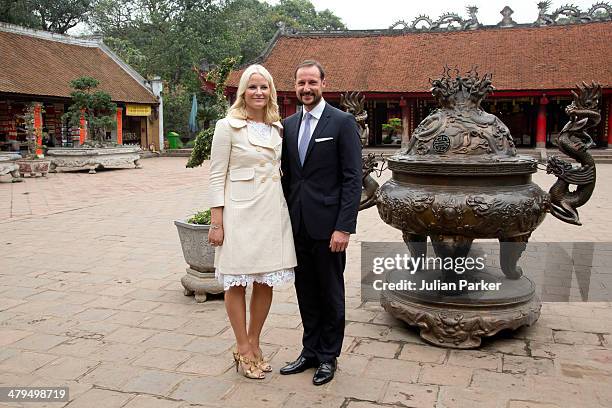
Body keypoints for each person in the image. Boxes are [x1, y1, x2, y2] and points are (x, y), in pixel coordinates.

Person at [208, 64, 297, 380]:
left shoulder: (277, 129)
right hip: (239, 211)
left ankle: (255, 342)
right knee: (236, 279)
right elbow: (217, 174)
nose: (258, 92)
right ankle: (241, 346)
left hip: (272, 210)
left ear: (271, 91)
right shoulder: (227, 126)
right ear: (242, 91)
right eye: (252, 87)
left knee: (265, 279)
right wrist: (216, 221)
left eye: (264, 87)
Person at [279, 60, 362, 385]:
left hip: (329, 229)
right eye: (301, 83)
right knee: (306, 292)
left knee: (330, 293)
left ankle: (329, 356)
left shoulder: (341, 122)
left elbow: (352, 178)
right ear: (296, 86)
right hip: (297, 225)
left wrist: (344, 227)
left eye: (312, 82)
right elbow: (287, 177)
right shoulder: (288, 124)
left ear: (323, 84)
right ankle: (309, 350)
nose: (306, 89)